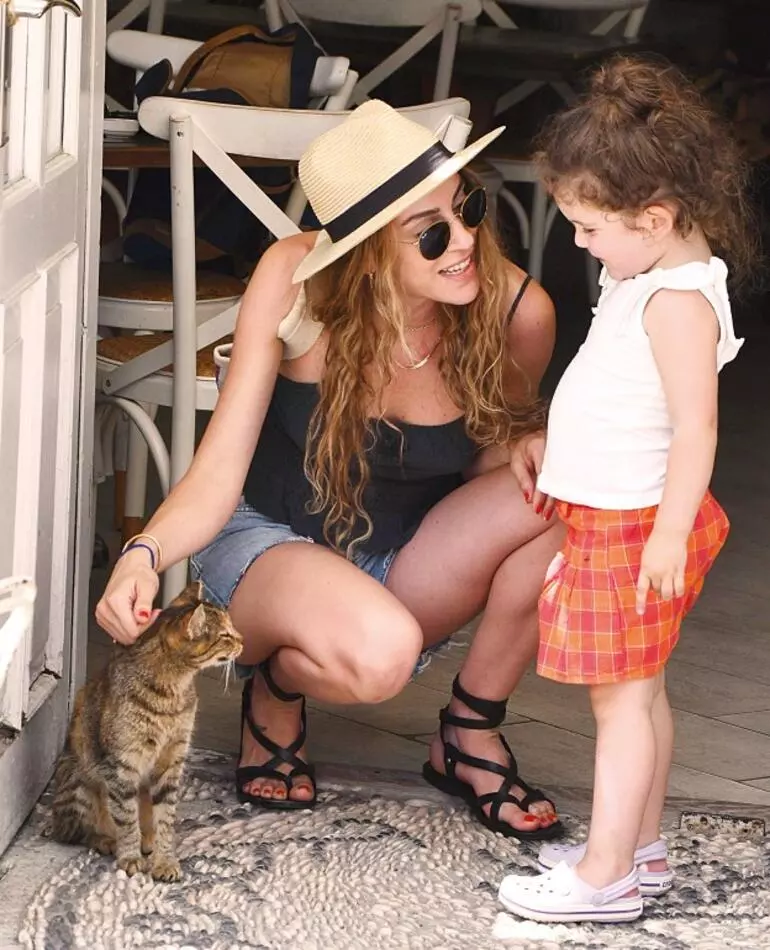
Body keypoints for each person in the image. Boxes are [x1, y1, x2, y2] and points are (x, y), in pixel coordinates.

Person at [96, 99, 566, 841]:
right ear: (367, 250)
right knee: (380, 659)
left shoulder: (514, 309)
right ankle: (278, 686)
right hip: (271, 539)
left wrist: (529, 442)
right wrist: (143, 555)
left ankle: (470, 731)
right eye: (431, 233)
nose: (464, 242)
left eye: (468, 208)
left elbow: (479, 461)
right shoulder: (294, 281)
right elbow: (218, 470)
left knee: (567, 493)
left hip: (404, 552)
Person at [498, 54, 754, 923]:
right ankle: (639, 849)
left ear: (655, 218)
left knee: (622, 706)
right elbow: (616, 385)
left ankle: (604, 874)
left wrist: (668, 535)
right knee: (641, 693)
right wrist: (556, 444)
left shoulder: (678, 303)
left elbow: (696, 429)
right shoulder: (644, 270)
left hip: (638, 526)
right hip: (619, 517)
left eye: (588, 227)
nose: (578, 242)